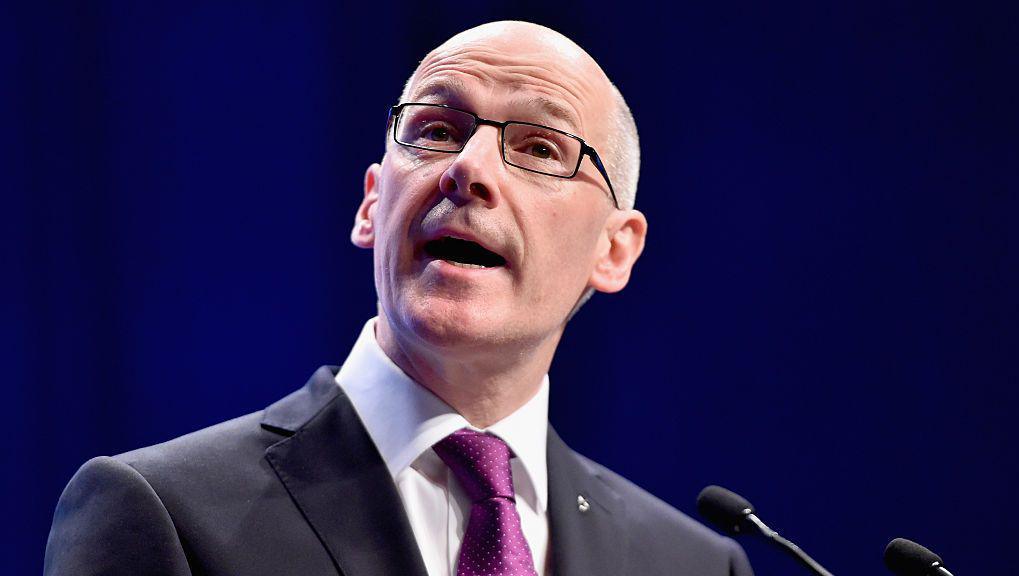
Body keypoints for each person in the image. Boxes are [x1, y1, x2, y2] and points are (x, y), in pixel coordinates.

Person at [44, 20, 753, 576]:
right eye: (437, 132)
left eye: (539, 148)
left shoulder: (692, 563)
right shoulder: (164, 514)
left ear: (614, 248)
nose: (468, 170)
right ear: (372, 208)